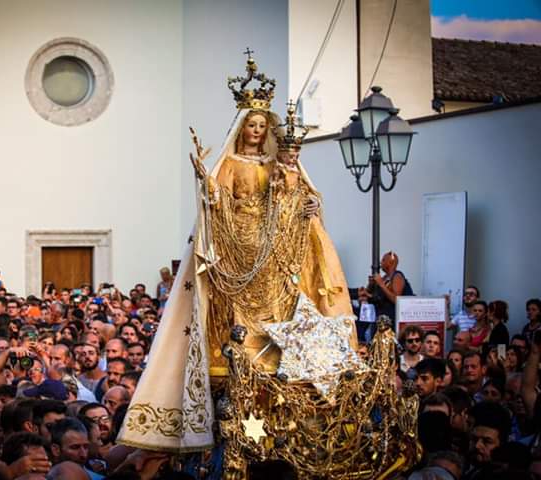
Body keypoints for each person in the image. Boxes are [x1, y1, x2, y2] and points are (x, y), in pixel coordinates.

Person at [119, 57, 357, 452]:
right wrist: (209, 192)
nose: (257, 131)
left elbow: (303, 203)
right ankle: (237, 350)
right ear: (242, 127)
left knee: (280, 299)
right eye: (252, 124)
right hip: (236, 252)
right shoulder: (229, 163)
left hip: (274, 254)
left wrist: (310, 206)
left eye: (263, 126)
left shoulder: (284, 165)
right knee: (234, 303)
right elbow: (216, 201)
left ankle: (275, 355)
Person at [369, 251, 413, 322]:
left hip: (392, 319)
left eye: (383, 260)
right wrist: (370, 285)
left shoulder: (397, 276)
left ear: (390, 263)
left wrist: (381, 284)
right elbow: (376, 297)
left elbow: (396, 300)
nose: (380, 263)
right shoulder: (385, 278)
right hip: (380, 317)